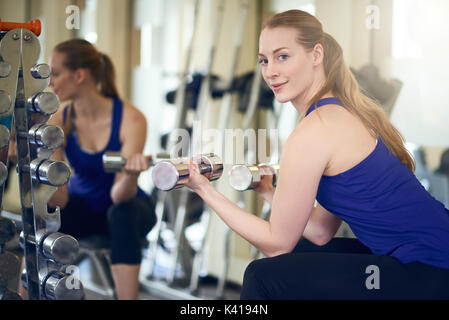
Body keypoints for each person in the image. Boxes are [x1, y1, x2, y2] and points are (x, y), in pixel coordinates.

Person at [185, 10, 449, 299]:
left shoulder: (315, 130)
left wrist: (204, 189)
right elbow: (321, 231)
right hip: (428, 260)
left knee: (262, 277)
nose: (270, 71)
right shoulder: (338, 112)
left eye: (282, 56)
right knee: (300, 252)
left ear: (316, 55)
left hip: (428, 270)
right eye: (264, 60)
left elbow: (276, 244)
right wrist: (268, 192)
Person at [34, 39, 155, 300]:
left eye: (56, 73)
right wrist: (38, 161)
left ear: (79, 75)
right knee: (44, 221)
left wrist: (132, 173)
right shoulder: (59, 121)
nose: (50, 82)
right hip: (85, 207)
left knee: (121, 213)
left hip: (129, 207)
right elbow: (62, 198)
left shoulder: (131, 119)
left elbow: (118, 196)